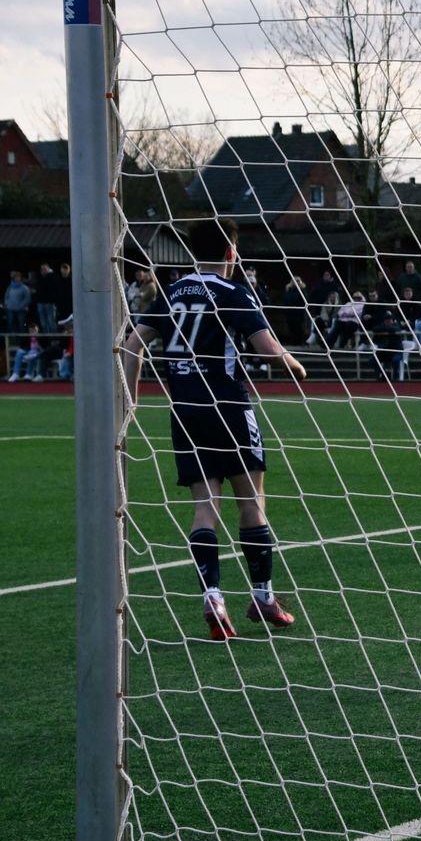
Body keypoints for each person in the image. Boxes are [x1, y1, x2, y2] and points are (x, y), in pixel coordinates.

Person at [119, 218, 307, 640]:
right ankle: (263, 596)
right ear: (230, 253)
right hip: (228, 407)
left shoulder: (171, 292)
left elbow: (133, 345)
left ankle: (213, 599)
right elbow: (267, 348)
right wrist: (294, 364)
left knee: (205, 507)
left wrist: (132, 400)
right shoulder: (232, 291)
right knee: (251, 500)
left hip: (185, 411)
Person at [35, 263, 65, 333]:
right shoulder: (40, 278)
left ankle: (53, 338)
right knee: (43, 323)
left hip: (50, 303)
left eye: (45, 269)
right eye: (42, 269)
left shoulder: (53, 277)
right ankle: (46, 337)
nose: (43, 270)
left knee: (51, 322)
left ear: (48, 269)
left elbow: (56, 289)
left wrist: (54, 299)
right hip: (40, 303)